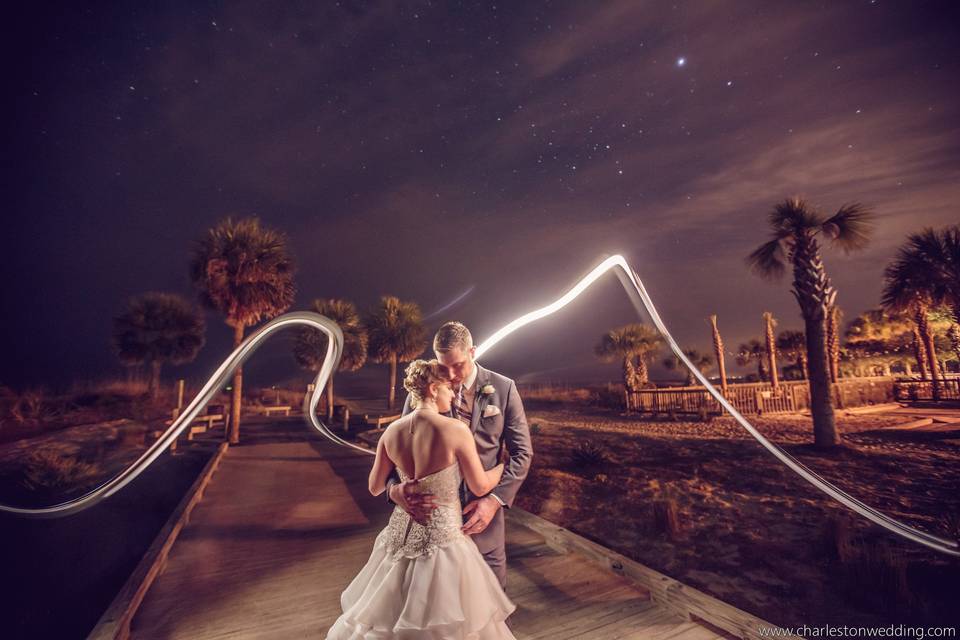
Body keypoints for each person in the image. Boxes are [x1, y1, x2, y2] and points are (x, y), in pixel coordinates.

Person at [325, 359, 517, 639]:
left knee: (387, 616)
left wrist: (396, 491)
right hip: (443, 542)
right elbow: (479, 485)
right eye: (449, 389)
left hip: (397, 538)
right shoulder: (454, 430)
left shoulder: (392, 431)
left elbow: (375, 486)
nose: (453, 395)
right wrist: (502, 466)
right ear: (433, 388)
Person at [387, 321, 534, 590]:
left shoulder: (503, 388)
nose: (452, 375)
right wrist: (393, 491)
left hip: (484, 530)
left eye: (458, 365)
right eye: (444, 367)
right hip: (431, 534)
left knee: (492, 616)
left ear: (472, 352)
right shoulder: (420, 395)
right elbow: (395, 454)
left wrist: (494, 500)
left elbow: (522, 453)